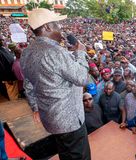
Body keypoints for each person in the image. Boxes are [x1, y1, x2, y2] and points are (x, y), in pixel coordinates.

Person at [20, 9, 90, 159]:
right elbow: (82, 78)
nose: (60, 28)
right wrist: (81, 53)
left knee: (65, 154)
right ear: (47, 27)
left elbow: (28, 85)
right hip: (70, 121)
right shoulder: (56, 52)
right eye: (57, 24)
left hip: (51, 119)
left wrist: (35, 107)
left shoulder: (27, 52)